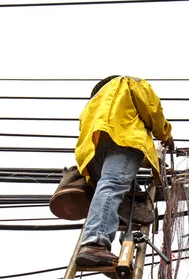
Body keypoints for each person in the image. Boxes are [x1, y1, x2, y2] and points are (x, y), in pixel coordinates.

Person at [74, 75, 174, 267]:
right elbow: (151, 109)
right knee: (114, 185)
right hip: (123, 142)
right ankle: (95, 242)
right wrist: (165, 134)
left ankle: (124, 209)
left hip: (93, 154)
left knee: (115, 187)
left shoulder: (92, 105)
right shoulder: (128, 82)